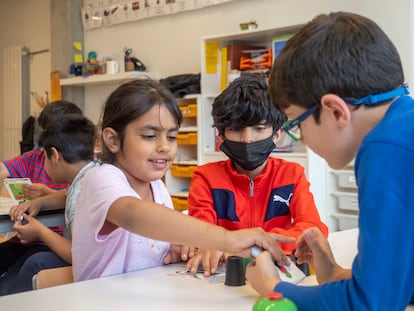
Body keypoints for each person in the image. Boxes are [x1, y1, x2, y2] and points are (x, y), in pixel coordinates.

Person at [245, 11, 414, 310]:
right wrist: (336, 275)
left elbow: (372, 305)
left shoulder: (386, 148)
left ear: (335, 111)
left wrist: (274, 287)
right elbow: (398, 284)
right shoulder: (403, 123)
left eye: (296, 124)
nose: (303, 140)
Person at [71, 78, 292, 282]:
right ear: (112, 139)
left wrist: (177, 249)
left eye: (172, 137)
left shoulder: (157, 188)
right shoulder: (101, 178)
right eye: (149, 136)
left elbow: (154, 246)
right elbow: (131, 214)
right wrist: (226, 239)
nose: (164, 147)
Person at [186, 73, 328, 276]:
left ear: (277, 134)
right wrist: (209, 244)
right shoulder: (205, 177)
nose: (247, 139)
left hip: (277, 272)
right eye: (235, 129)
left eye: (259, 128)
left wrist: (259, 243)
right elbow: (201, 232)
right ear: (220, 134)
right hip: (225, 277)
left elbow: (313, 228)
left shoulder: (292, 175)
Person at [7, 114, 98, 294]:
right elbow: (67, 194)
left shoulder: (83, 189)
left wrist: (40, 231)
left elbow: (78, 255)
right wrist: (40, 203)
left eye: (45, 158)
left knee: (37, 262)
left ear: (55, 155)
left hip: (92, 266)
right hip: (95, 258)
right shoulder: (91, 174)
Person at [0, 100, 83, 199]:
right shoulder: (34, 157)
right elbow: (3, 170)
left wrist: (48, 194)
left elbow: (78, 199)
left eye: (47, 133)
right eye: (43, 132)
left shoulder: (84, 166)